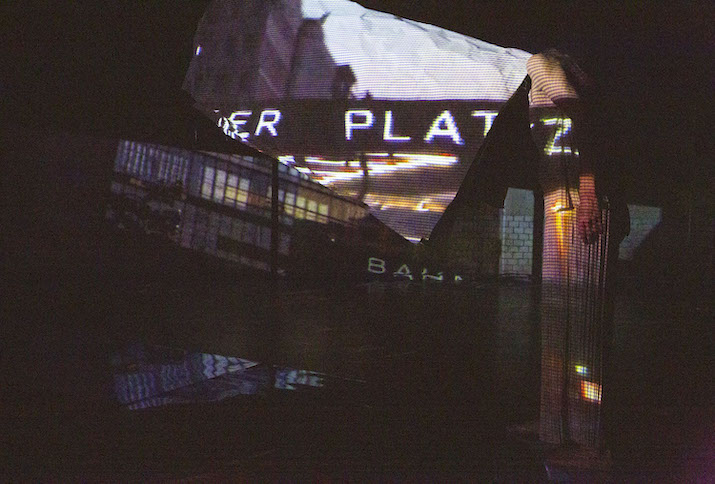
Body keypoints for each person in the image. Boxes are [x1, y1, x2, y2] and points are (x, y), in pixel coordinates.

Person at [526, 49, 628, 460]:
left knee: (583, 324)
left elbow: (583, 122)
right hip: (559, 201)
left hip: (580, 202)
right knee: (557, 320)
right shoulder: (551, 70)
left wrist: (588, 193)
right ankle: (552, 426)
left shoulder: (542, 63)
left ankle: (587, 436)